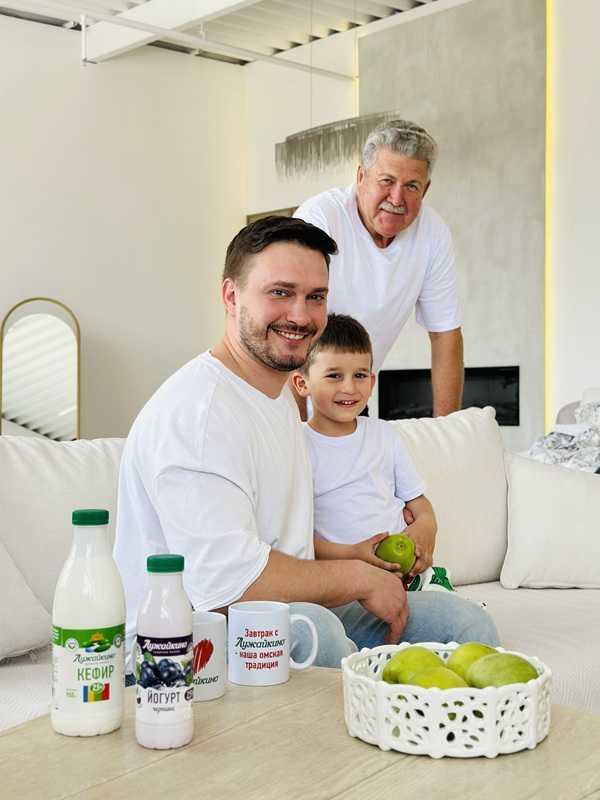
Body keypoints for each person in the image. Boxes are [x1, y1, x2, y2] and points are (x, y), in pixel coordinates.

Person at [114, 216, 498, 671]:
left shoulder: (278, 397)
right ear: (231, 296)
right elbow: (228, 587)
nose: (300, 316)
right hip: (183, 645)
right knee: (316, 632)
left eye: (315, 297)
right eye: (280, 292)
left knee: (464, 626)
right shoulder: (198, 417)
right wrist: (357, 577)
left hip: (288, 606)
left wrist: (367, 558)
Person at [294, 119, 463, 420]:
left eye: (411, 186)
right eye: (386, 181)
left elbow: (445, 334)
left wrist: (447, 430)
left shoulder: (433, 234)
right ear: (361, 176)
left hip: (352, 398)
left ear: (425, 190)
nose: (397, 198)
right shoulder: (320, 218)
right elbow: (292, 324)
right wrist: (296, 429)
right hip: (290, 394)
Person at [291, 313, 455, 594]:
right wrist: (352, 554)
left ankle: (430, 587)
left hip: (403, 572)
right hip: (339, 576)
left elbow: (418, 502)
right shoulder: (297, 446)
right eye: (334, 376)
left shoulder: (384, 436)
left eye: (359, 375)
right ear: (302, 383)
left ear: (372, 380)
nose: (349, 388)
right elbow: (297, 537)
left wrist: (427, 526)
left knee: (454, 614)